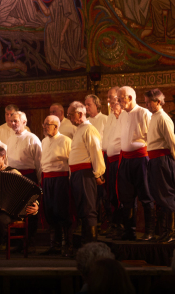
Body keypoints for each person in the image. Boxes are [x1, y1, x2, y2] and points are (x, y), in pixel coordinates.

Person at [144, 88, 175, 243]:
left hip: (162, 160)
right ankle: (165, 231)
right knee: (159, 196)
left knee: (166, 196)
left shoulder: (163, 118)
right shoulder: (154, 117)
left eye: (148, 102)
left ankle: (172, 232)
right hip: (154, 160)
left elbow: (172, 141)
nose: (147, 105)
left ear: (158, 101)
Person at [117, 86, 153, 241]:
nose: (118, 102)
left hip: (141, 160)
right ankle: (129, 232)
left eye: (120, 98)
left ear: (130, 97)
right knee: (127, 198)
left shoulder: (144, 113)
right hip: (126, 160)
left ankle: (149, 231)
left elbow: (151, 138)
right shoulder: (122, 115)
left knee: (146, 195)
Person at [67, 101, 106, 245]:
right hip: (78, 174)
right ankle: (85, 243)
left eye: (71, 115)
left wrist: (98, 174)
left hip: (86, 174)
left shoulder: (89, 129)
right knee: (82, 208)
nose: (69, 118)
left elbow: (96, 152)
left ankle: (91, 244)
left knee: (89, 208)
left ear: (80, 113)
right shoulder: (79, 129)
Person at [5, 110, 42, 247]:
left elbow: (39, 162)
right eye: (11, 121)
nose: (13, 123)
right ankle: (16, 241)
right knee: (15, 209)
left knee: (29, 209)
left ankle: (29, 241)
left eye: (16, 121)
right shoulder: (9, 139)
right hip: (14, 176)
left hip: (29, 177)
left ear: (24, 122)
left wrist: (37, 181)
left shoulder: (32, 138)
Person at [39, 115, 72, 257]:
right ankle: (55, 245)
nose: (45, 127)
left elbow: (71, 161)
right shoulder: (44, 141)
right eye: (44, 124)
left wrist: (69, 181)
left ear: (56, 126)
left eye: (48, 124)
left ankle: (67, 246)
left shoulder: (66, 140)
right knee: (50, 211)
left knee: (62, 211)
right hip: (47, 180)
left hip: (60, 179)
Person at [102, 87, 126, 239]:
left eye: (112, 97)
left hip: (120, 159)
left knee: (120, 194)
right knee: (111, 194)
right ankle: (114, 224)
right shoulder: (110, 116)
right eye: (109, 98)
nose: (109, 100)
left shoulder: (124, 115)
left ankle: (122, 226)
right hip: (109, 159)